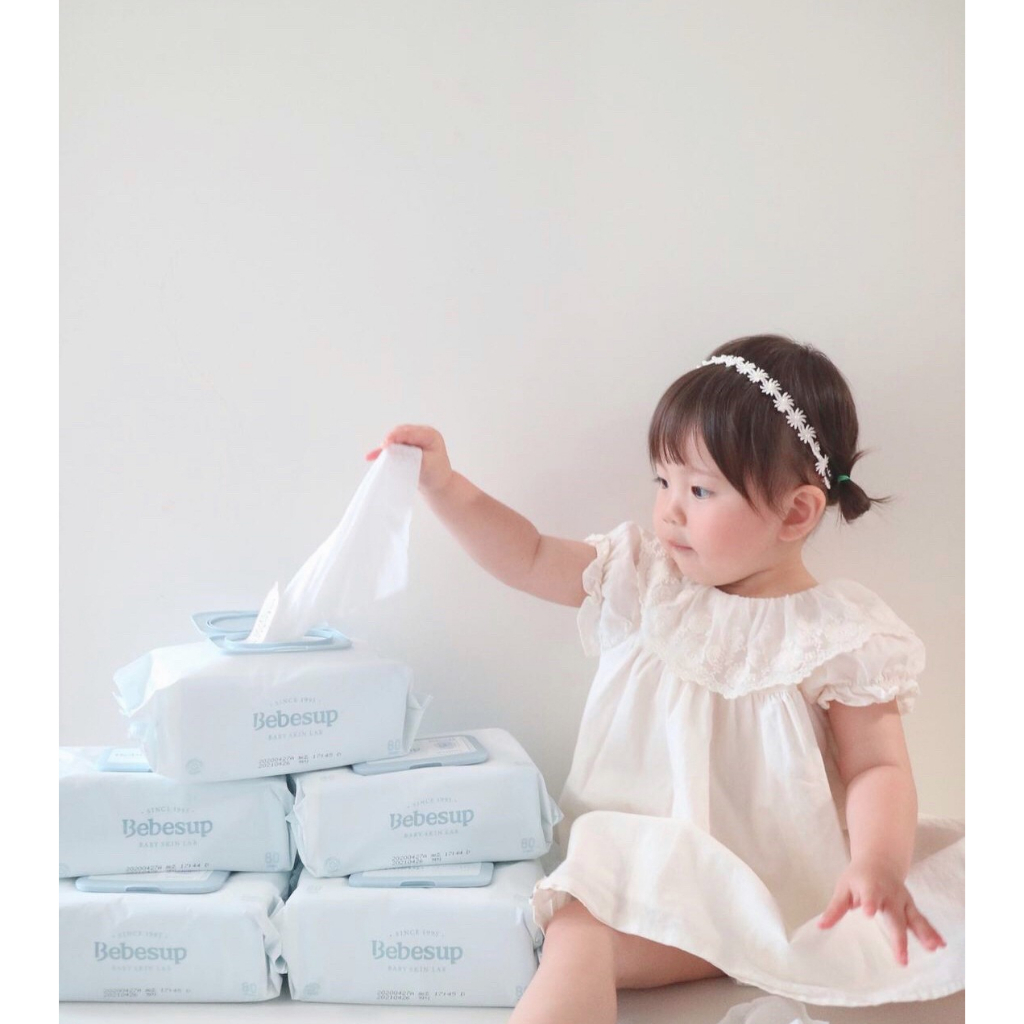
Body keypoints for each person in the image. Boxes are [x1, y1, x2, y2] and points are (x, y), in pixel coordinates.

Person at [365, 334, 965, 1023]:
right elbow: (526, 555)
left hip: (775, 893)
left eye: (700, 489)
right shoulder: (645, 582)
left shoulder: (836, 634)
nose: (670, 510)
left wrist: (878, 864)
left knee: (580, 925)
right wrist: (444, 486)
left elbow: (877, 767)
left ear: (796, 512)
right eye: (664, 482)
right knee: (578, 929)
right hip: (645, 885)